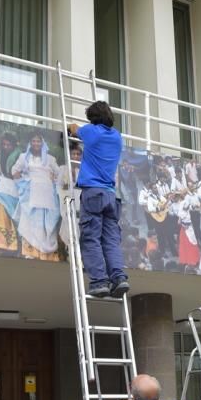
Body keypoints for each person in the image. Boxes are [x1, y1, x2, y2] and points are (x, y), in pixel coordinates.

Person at [68, 101, 128, 298]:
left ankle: (99, 282)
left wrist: (71, 125)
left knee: (91, 238)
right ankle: (119, 278)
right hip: (111, 195)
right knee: (110, 240)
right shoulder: (117, 137)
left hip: (93, 193)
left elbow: (74, 129)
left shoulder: (92, 132)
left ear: (93, 119)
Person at [12, 131, 61, 261]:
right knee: (29, 222)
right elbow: (15, 171)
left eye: (38, 141)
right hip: (31, 194)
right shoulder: (24, 157)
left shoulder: (50, 159)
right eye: (33, 141)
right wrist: (23, 185)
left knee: (46, 224)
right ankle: (30, 252)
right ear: (30, 143)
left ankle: (46, 255)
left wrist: (53, 182)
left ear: (42, 143)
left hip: (47, 195)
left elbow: (59, 174)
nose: (36, 143)